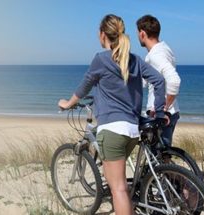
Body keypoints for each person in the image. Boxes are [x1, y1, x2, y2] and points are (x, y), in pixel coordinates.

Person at [58, 14, 166, 215]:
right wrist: (159, 111)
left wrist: (67, 103)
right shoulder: (135, 60)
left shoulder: (101, 59)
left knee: (118, 189)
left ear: (102, 35)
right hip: (133, 131)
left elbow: (84, 87)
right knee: (117, 183)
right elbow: (159, 81)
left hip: (112, 131)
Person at [136, 15, 181, 146]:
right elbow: (144, 82)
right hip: (172, 112)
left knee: (156, 159)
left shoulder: (155, 55)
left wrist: (163, 109)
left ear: (142, 33)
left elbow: (174, 80)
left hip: (161, 115)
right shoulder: (164, 49)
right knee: (162, 158)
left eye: (138, 33)